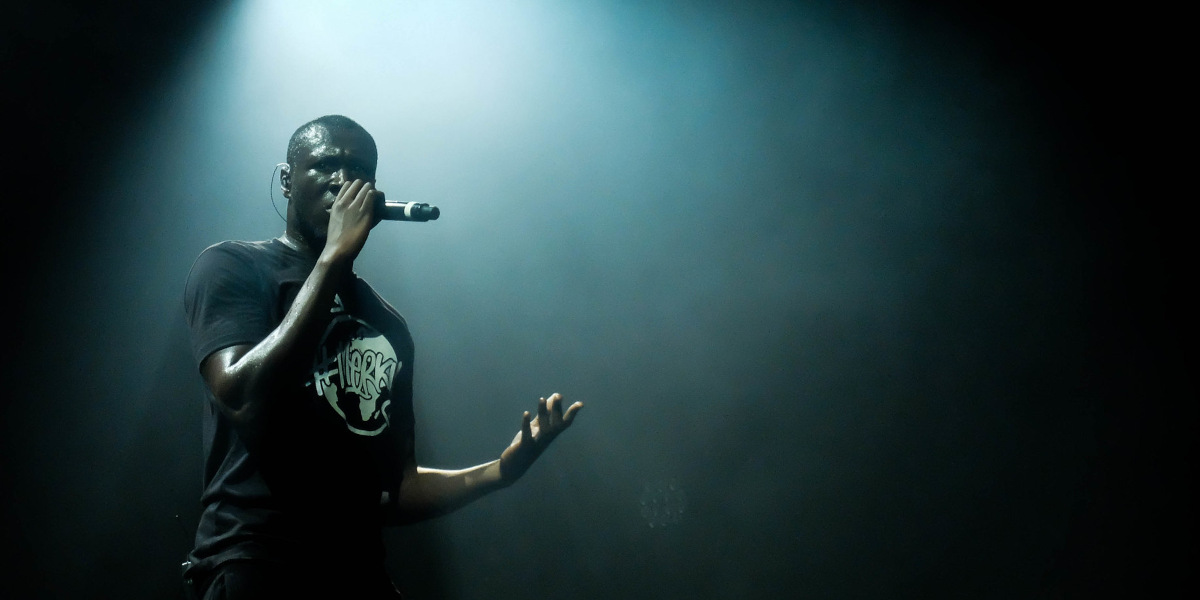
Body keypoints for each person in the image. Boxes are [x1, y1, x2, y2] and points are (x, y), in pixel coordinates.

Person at [181, 114, 583, 599]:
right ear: (287, 180)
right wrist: (332, 258)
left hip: (357, 571)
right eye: (325, 164)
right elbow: (243, 397)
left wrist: (499, 471)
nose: (343, 179)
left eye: (359, 169)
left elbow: (396, 490)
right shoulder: (235, 267)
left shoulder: (387, 324)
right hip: (258, 561)